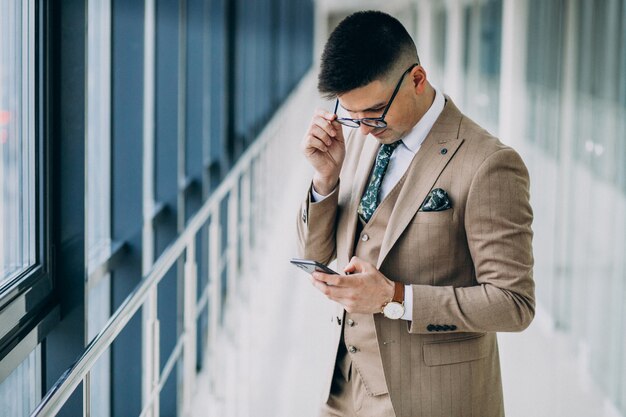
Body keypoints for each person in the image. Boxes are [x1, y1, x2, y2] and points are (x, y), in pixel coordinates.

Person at [296, 10, 535, 417]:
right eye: (353, 114)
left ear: (417, 80)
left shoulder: (489, 163)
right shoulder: (358, 138)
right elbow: (317, 255)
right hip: (343, 391)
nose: (366, 128)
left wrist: (395, 297)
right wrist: (325, 179)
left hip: (430, 399)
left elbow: (513, 303)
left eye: (373, 112)